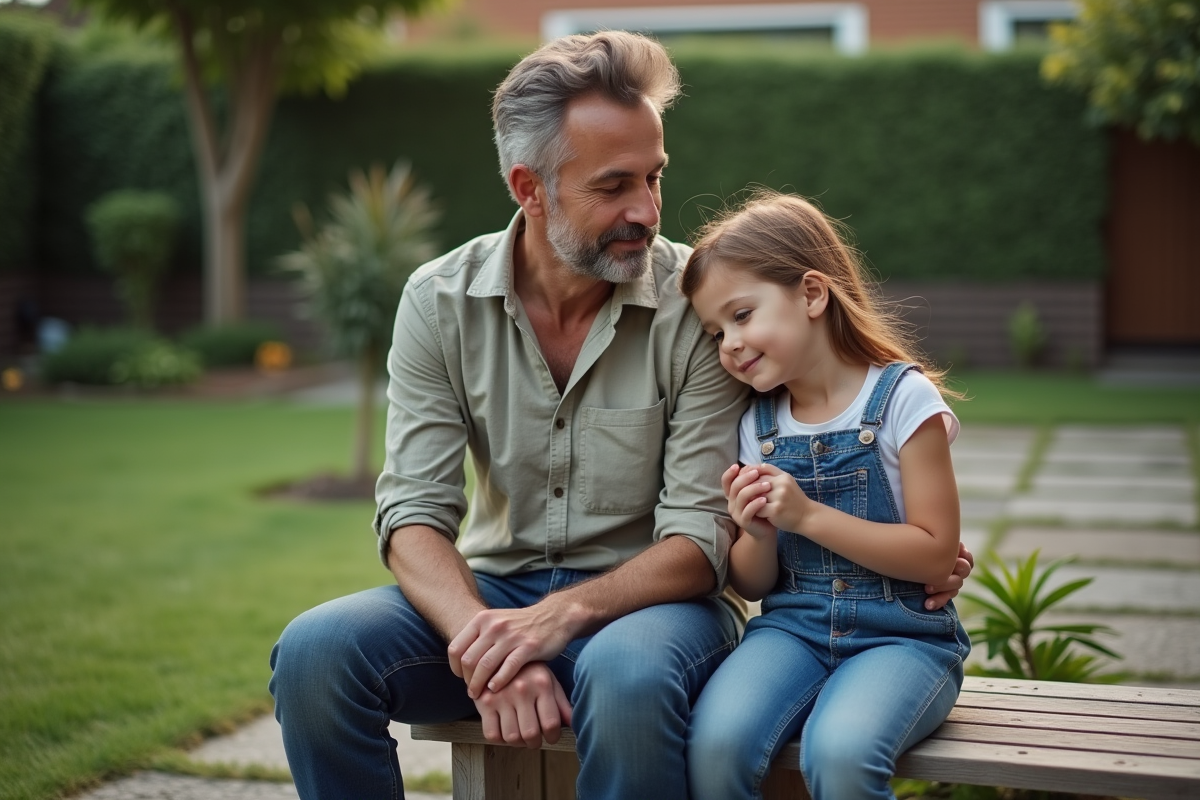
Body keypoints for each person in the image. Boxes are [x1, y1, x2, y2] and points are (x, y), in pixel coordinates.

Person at [270, 33, 972, 800]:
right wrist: (488, 643)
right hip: (496, 596)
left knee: (626, 670)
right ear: (529, 188)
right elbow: (412, 514)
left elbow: (703, 533)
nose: (646, 208)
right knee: (315, 653)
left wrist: (558, 620)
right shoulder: (437, 303)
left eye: (655, 177)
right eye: (613, 186)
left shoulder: (694, 309)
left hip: (657, 612)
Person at [681, 191, 972, 800]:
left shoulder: (904, 401)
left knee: (839, 756)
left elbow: (935, 556)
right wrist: (757, 533)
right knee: (714, 745)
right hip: (793, 632)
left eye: (741, 315)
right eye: (714, 332)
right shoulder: (756, 424)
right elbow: (754, 586)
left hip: (903, 640)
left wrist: (808, 516)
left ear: (812, 294)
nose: (728, 343)